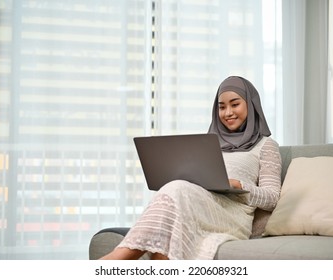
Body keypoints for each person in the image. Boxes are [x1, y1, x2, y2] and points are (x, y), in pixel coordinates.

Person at [100, 76, 282, 260]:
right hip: (195, 204)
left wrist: (238, 185)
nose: (227, 113)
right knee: (176, 195)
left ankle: (116, 259)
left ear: (251, 105)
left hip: (232, 215)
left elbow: (273, 197)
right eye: (221, 107)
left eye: (235, 105)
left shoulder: (266, 145)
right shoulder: (208, 142)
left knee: (178, 188)